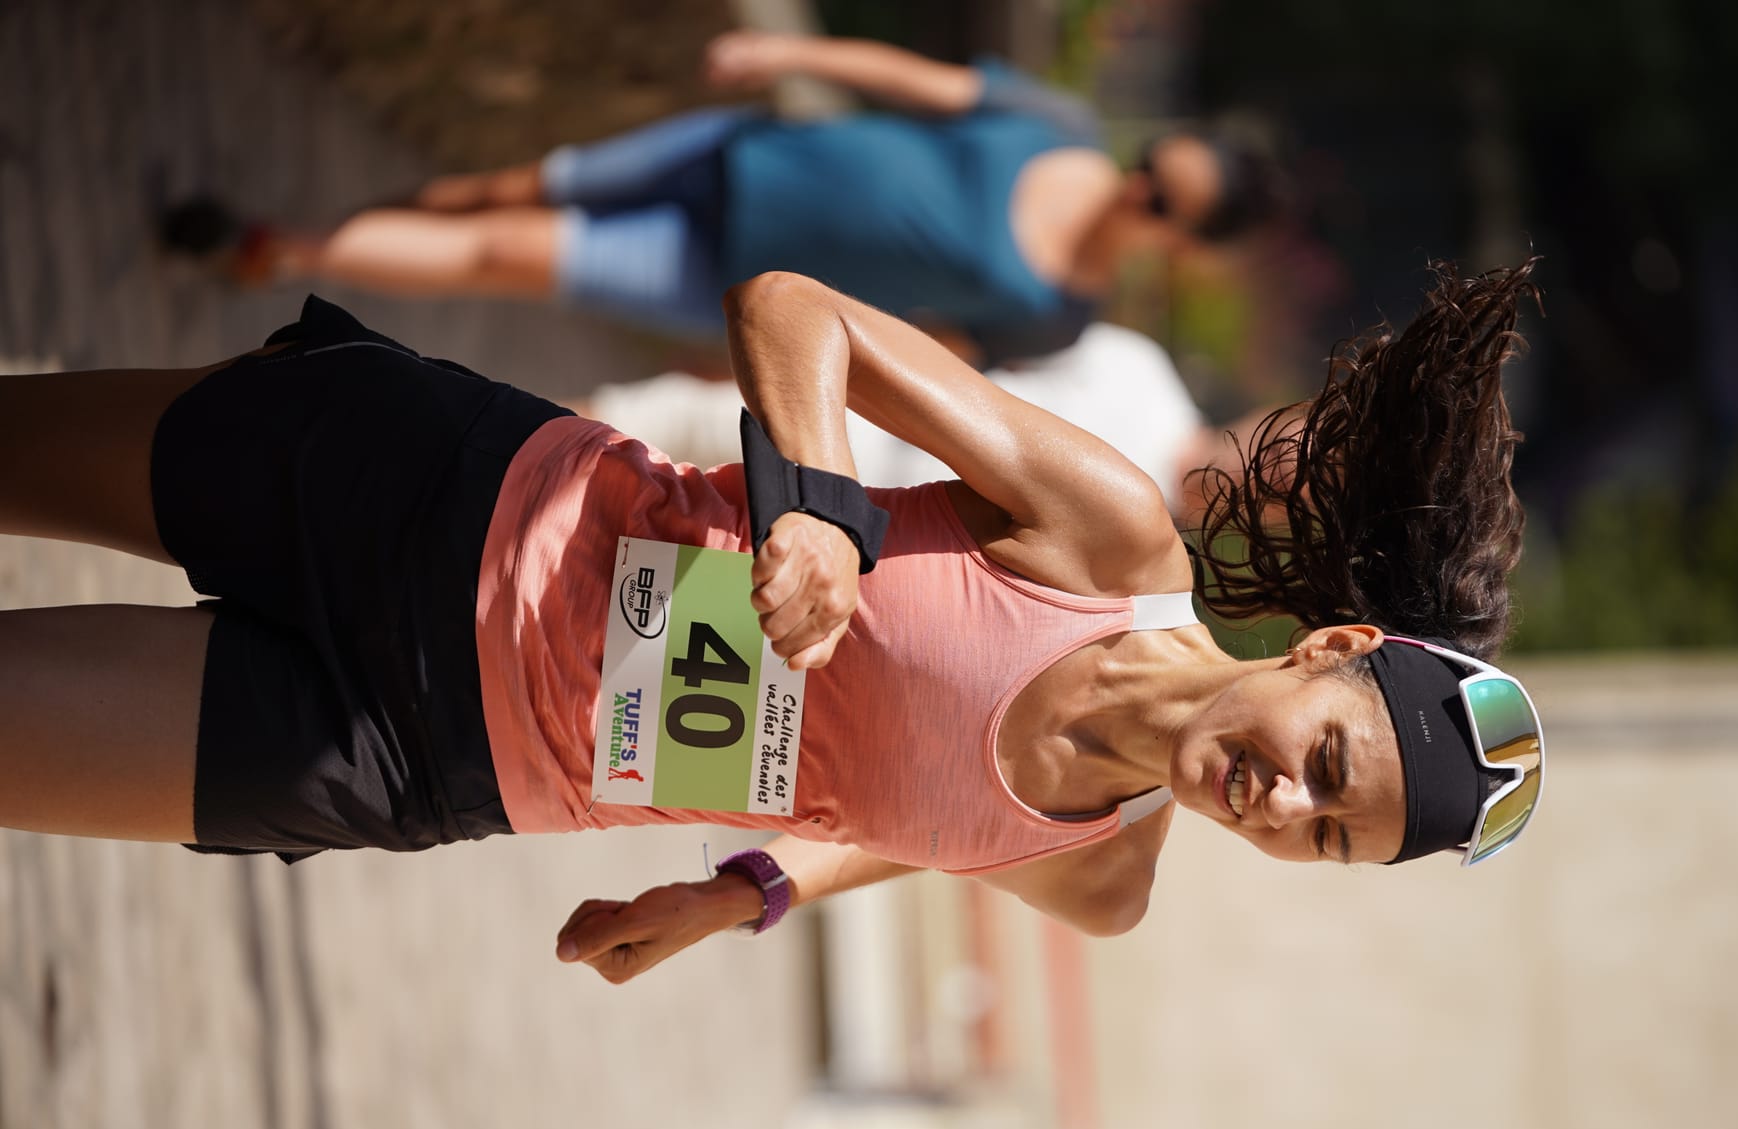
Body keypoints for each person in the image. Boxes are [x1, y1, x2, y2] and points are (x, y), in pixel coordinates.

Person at [0, 260, 1545, 990]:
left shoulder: (1104, 879)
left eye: (1324, 837)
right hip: (439, 499)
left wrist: (738, 891)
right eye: (1327, 764)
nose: (1281, 805)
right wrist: (814, 511)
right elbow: (795, 311)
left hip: (420, 758)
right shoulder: (1107, 538)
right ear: (1330, 651)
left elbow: (924, 828)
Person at [160, 30, 1285, 364]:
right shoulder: (1059, 121)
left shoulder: (1055, 316)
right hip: (741, 151)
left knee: (507, 250)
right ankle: (331, 231)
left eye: (1160, 202)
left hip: (727, 277)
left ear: (1180, 244)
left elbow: (907, 353)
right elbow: (913, 81)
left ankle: (288, 247)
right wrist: (786, 52)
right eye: (1153, 164)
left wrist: (764, 371)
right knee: (509, 187)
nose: (1135, 187)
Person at [572, 320, 1243, 515]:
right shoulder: (1139, 366)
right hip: (832, 414)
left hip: (849, 534)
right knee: (596, 431)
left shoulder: (1147, 567)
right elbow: (969, 344)